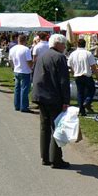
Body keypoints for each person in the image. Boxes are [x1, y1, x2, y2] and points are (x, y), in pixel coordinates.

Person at [32, 34, 71, 169]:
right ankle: (55, 159)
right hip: (53, 97)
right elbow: (64, 81)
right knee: (57, 128)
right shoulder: (59, 57)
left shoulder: (43, 55)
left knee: (44, 127)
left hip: (41, 95)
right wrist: (66, 100)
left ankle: (45, 157)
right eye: (64, 45)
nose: (65, 47)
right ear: (58, 44)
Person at [68, 38, 98, 116]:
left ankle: (82, 110)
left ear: (77, 45)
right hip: (87, 75)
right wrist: (97, 76)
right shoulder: (88, 53)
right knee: (91, 90)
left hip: (77, 75)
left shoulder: (73, 54)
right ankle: (87, 101)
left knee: (80, 93)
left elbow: (69, 65)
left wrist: (73, 72)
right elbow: (93, 66)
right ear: (85, 44)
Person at [9, 34, 33, 112]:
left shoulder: (12, 49)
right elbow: (29, 61)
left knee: (17, 89)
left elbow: (10, 60)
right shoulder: (26, 49)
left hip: (16, 70)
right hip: (25, 71)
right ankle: (24, 107)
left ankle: (17, 105)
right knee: (24, 89)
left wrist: (13, 67)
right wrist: (32, 68)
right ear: (25, 40)